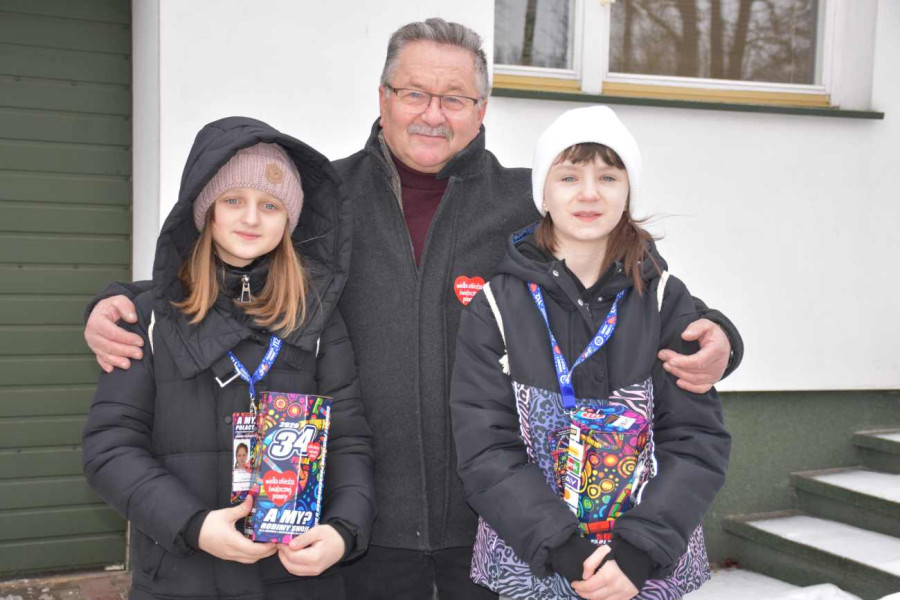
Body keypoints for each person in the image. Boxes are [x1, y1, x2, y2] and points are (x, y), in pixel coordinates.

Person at [82, 19, 742, 600]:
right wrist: (121, 304)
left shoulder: (527, 203)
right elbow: (233, 263)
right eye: (414, 93)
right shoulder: (327, 200)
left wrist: (720, 336)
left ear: (481, 109)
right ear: (383, 99)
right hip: (357, 529)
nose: (433, 113)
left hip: (496, 527)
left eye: (454, 98)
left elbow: (626, 275)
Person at [82, 117, 375, 600]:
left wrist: (344, 530)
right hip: (182, 580)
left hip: (296, 581)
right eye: (233, 200)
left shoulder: (318, 317)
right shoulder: (147, 318)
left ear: (290, 220)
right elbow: (110, 450)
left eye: (270, 205)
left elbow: (349, 442)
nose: (251, 219)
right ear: (205, 211)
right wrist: (192, 525)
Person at [449, 105, 730, 600]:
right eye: (569, 176)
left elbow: (695, 440)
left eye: (608, 177)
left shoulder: (664, 301)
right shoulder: (495, 306)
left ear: (628, 192)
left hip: (645, 570)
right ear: (543, 193)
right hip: (532, 564)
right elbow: (486, 450)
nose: (589, 193)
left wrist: (638, 554)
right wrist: (567, 551)